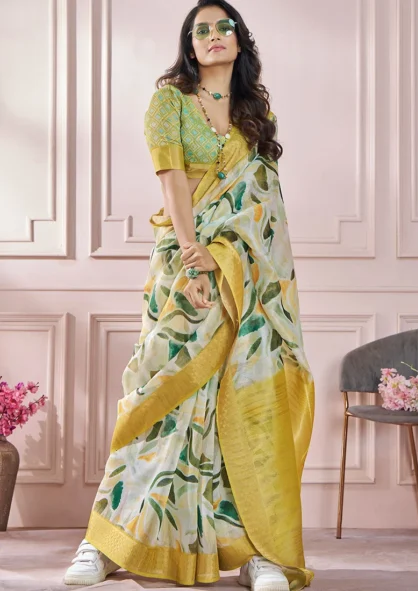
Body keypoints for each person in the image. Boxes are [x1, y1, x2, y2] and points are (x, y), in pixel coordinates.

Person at [64, 1, 315, 589]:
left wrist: (231, 263)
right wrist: (193, 253)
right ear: (189, 44)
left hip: (245, 288)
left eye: (223, 27)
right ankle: (107, 542)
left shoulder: (256, 114)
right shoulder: (169, 103)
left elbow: (264, 206)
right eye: (200, 30)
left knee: (235, 410)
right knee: (162, 400)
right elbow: (172, 181)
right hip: (184, 268)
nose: (212, 35)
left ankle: (253, 551)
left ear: (239, 39)